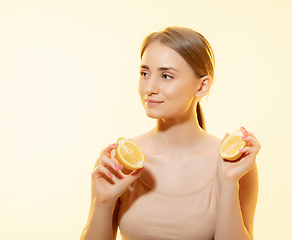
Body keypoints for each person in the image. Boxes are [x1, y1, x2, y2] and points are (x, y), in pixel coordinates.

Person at [80, 27, 260, 240]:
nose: (150, 87)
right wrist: (103, 203)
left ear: (202, 87)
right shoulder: (117, 160)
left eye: (166, 76)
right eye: (144, 73)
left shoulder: (234, 164)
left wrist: (228, 183)